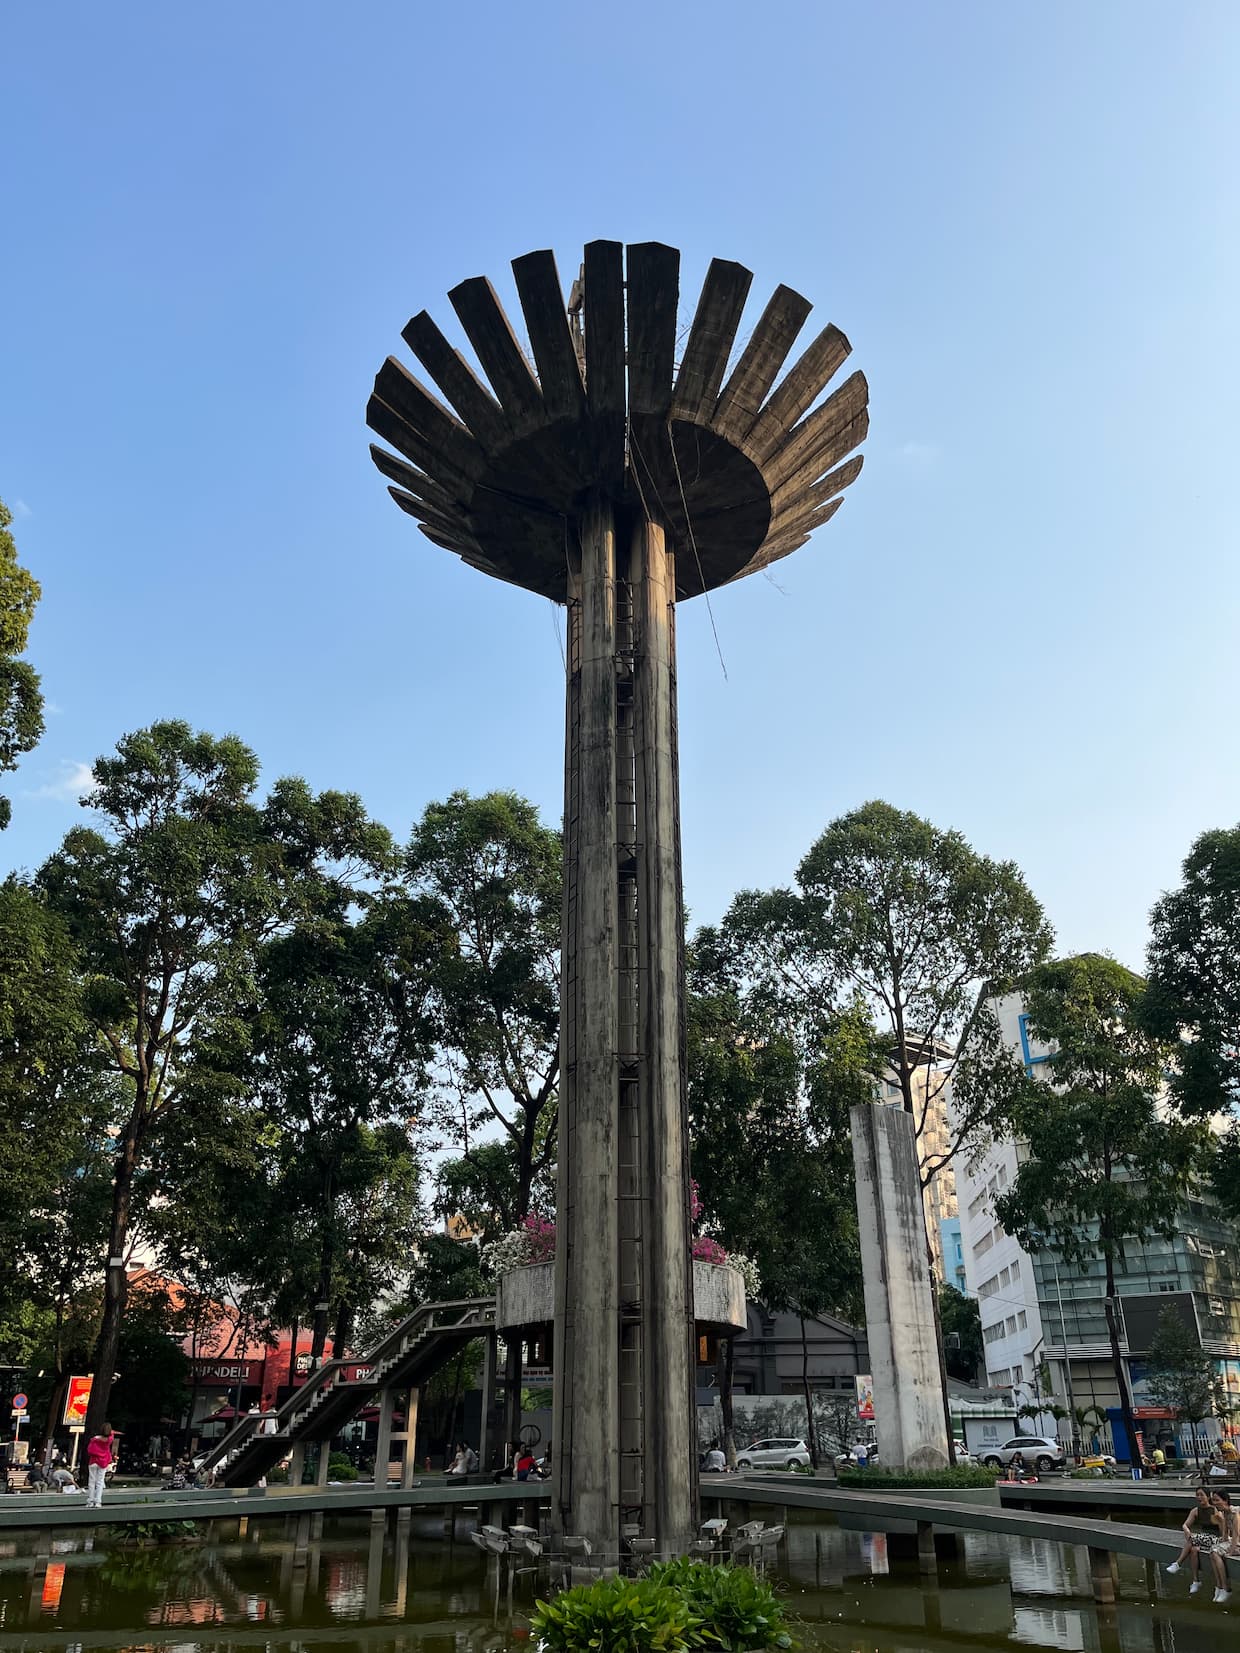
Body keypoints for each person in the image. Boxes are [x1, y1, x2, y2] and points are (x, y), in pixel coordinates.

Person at [1166, 1487, 1215, 1593]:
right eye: (1197, 1495)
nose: (1199, 1497)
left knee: (1192, 1539)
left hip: (1216, 1539)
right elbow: (1185, 1524)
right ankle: (1195, 1581)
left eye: (1202, 1495)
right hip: (1204, 1539)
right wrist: (1186, 1530)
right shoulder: (1196, 1511)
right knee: (1193, 1550)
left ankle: (1178, 1563)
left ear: (1208, 1496)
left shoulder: (1214, 1509)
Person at [1207, 1489, 1238, 1603]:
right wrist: (1223, 1544)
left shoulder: (1235, 1512)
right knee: (1213, 1552)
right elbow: (1225, 1533)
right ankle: (1219, 1586)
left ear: (1225, 1500)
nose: (1214, 1503)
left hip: (1238, 1543)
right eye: (1213, 1500)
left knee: (1215, 1551)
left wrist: (1231, 1550)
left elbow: (1236, 1534)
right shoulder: (1225, 1513)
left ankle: (1225, 1588)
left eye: (1217, 1500)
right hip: (1234, 1541)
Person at [85, 1425, 116, 1509]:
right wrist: (111, 1431)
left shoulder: (95, 1439)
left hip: (93, 1462)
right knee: (100, 1482)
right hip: (103, 1462)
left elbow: (89, 1450)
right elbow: (112, 1435)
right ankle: (98, 1502)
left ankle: (90, 1501)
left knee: (91, 1482)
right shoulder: (109, 1440)